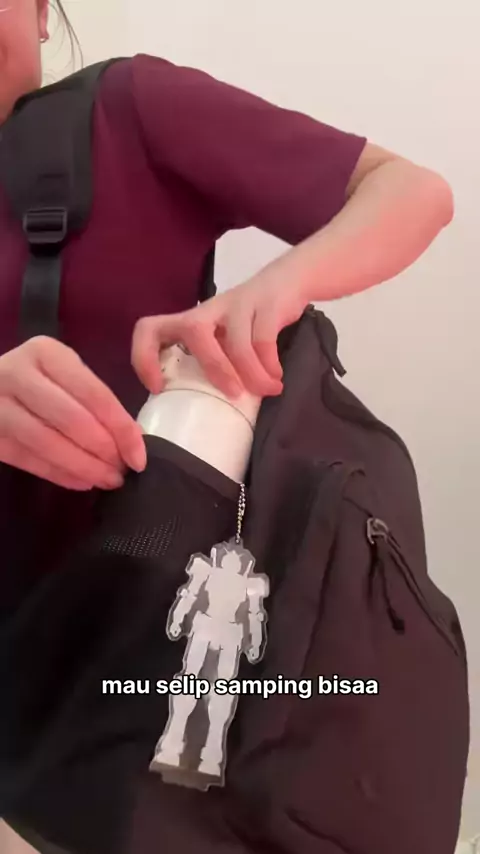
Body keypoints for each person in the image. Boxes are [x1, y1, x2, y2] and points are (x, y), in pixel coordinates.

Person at [0, 0, 453, 586]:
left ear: (41, 12)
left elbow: (409, 191)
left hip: (134, 609)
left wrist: (276, 287)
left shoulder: (124, 112)